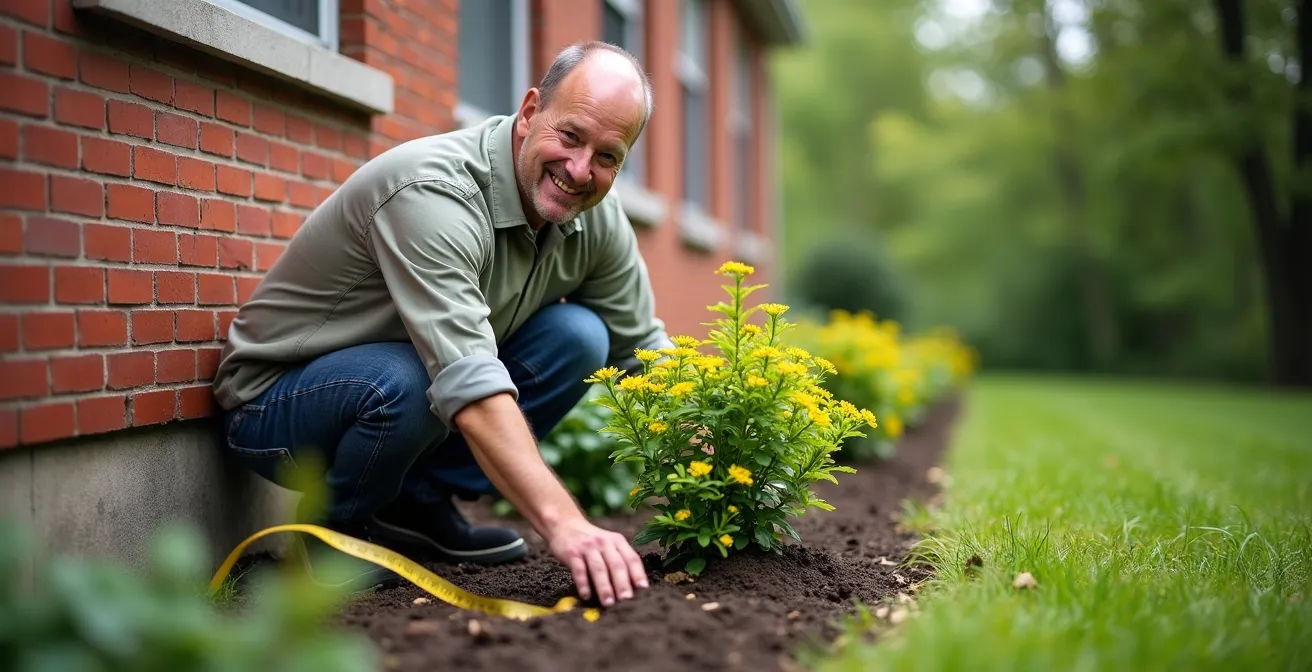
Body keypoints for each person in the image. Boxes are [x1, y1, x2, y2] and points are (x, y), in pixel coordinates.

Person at [211, 41, 667, 609]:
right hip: (273, 409)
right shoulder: (436, 191)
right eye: (570, 136)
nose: (580, 170)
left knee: (580, 336)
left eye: (608, 156)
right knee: (410, 376)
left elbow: (643, 351)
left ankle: (418, 501)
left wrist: (723, 455)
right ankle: (332, 532)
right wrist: (565, 524)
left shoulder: (596, 214)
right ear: (529, 113)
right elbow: (466, 378)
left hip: (406, 385)